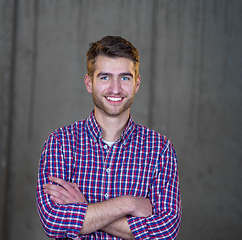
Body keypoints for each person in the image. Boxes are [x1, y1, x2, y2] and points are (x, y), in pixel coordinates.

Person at [36, 36, 181, 239]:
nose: (115, 88)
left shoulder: (160, 149)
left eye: (125, 78)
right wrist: (128, 203)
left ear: (137, 83)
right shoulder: (61, 142)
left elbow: (164, 232)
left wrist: (83, 209)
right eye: (105, 77)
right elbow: (54, 222)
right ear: (89, 83)